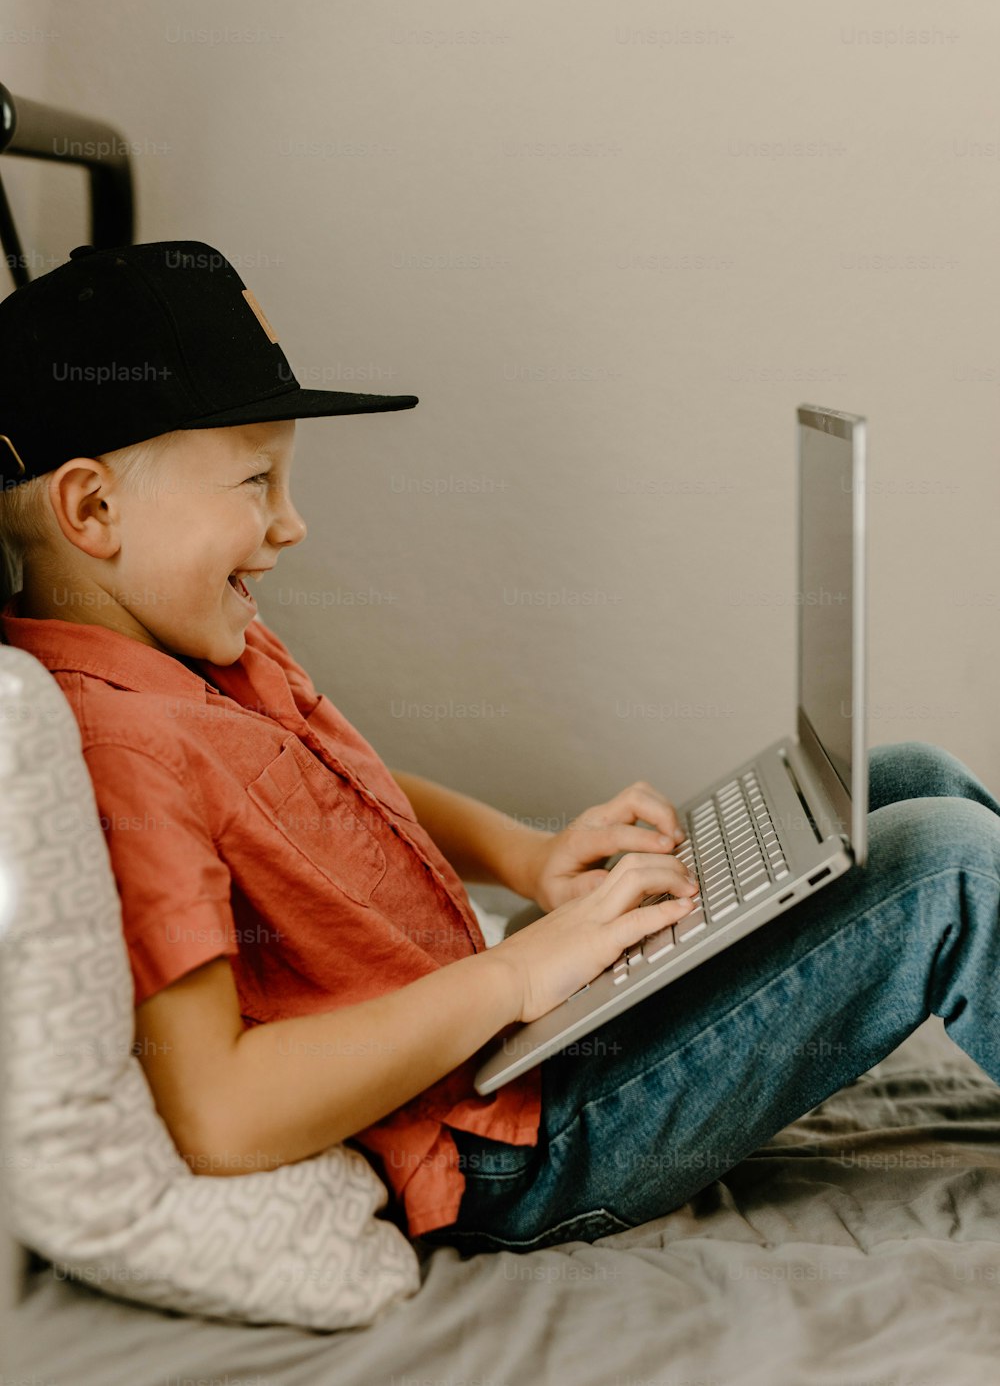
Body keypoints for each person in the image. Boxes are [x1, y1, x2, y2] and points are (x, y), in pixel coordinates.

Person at [0, 242, 997, 1259]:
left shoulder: (206, 648)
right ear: (92, 510)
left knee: (907, 777)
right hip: (513, 1144)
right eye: (256, 480)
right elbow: (220, 1113)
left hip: (512, 1041)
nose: (292, 524)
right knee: (946, 861)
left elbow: (345, 791)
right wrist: (517, 979)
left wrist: (523, 857)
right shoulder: (123, 747)